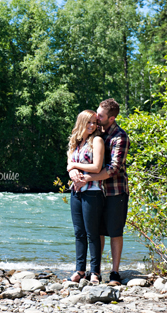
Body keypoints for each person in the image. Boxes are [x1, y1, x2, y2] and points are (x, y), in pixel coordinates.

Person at [71, 98, 130, 287]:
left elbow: (113, 168)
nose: (97, 118)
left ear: (111, 119)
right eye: (97, 114)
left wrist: (87, 178)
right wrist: (73, 171)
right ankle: (95, 270)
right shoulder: (95, 132)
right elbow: (74, 154)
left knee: (114, 231)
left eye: (100, 116)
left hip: (114, 191)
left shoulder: (119, 137)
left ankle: (115, 272)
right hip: (95, 192)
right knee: (96, 231)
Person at [66, 110, 105, 284]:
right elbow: (68, 165)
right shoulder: (75, 142)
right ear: (81, 122)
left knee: (92, 233)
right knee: (79, 233)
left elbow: (97, 167)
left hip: (93, 192)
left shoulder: (96, 141)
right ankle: (80, 270)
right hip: (76, 191)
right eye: (89, 122)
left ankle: (95, 272)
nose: (92, 126)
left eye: (94, 123)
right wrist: (72, 171)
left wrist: (74, 165)